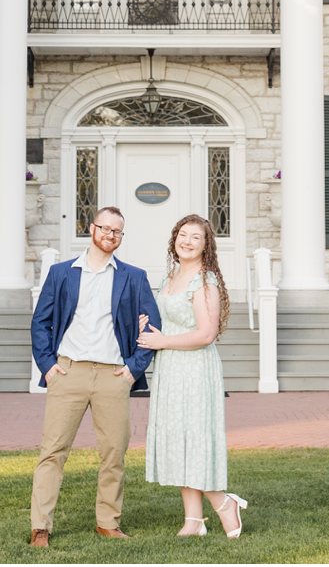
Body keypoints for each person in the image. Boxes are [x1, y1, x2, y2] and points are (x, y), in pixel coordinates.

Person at [27, 205, 161, 548]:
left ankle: (108, 522)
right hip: (67, 372)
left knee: (114, 452)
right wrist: (47, 366)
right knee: (53, 450)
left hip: (113, 376)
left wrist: (134, 368)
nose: (110, 235)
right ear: (91, 229)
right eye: (105, 228)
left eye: (117, 231)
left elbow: (153, 326)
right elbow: (40, 322)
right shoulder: (61, 273)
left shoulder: (133, 276)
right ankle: (40, 526)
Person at [136, 213, 250, 539]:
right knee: (178, 440)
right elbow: (169, 321)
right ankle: (193, 521)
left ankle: (224, 503)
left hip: (195, 368)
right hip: (171, 366)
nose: (187, 241)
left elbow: (206, 334)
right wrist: (150, 328)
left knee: (195, 440)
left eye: (195, 237)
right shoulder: (170, 276)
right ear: (175, 239)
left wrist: (164, 341)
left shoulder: (204, 280)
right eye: (182, 235)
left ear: (206, 245)